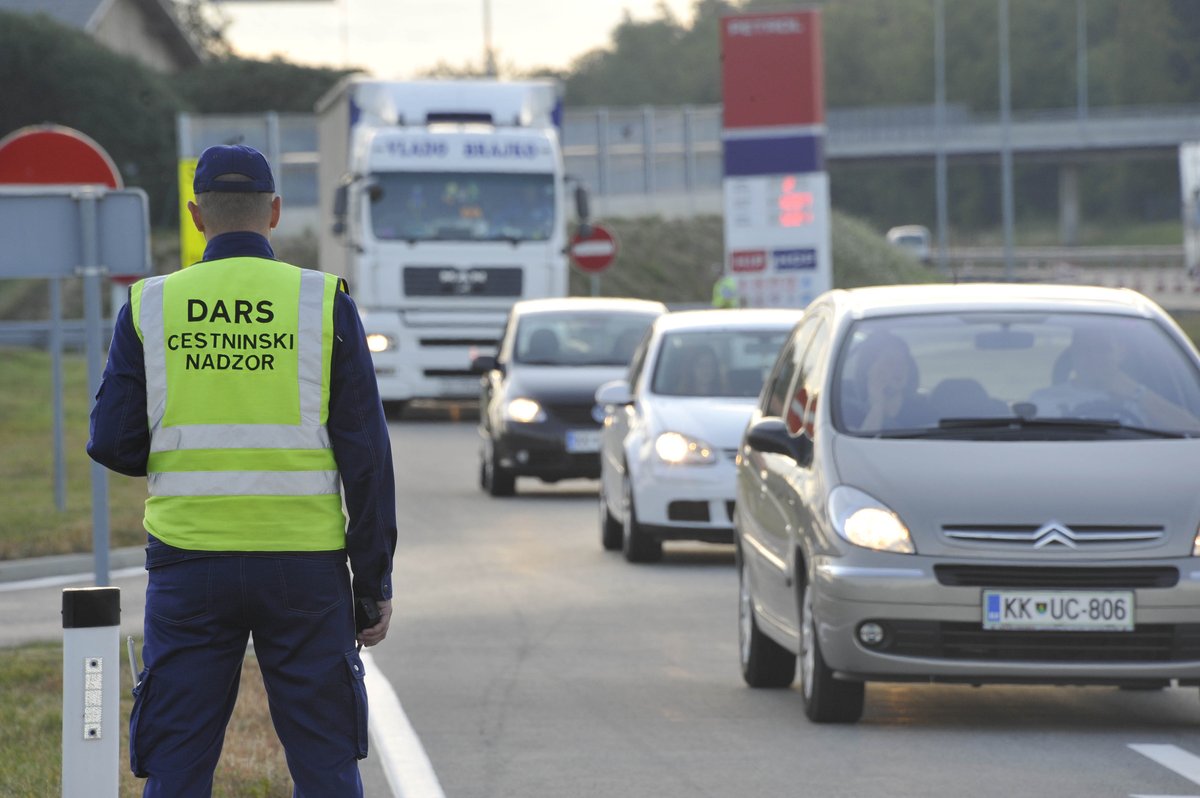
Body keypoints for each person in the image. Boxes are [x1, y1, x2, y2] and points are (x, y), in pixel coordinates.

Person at [87, 144, 397, 798]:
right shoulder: (320, 302)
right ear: (276, 211)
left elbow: (113, 441)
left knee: (175, 764)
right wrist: (371, 582)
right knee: (326, 761)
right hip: (306, 570)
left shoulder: (151, 305)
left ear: (198, 216)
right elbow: (366, 457)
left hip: (189, 561)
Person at [1029, 326, 1197, 429]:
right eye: (1085, 349)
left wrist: (1138, 394)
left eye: (1103, 349)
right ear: (1072, 354)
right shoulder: (1043, 400)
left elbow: (1192, 429)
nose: (1094, 357)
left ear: (1121, 353)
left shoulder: (1143, 398)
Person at [845, 331, 933, 431]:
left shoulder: (924, 413)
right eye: (889, 362)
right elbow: (860, 445)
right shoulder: (847, 414)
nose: (898, 368)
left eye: (902, 362)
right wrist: (877, 406)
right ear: (868, 369)